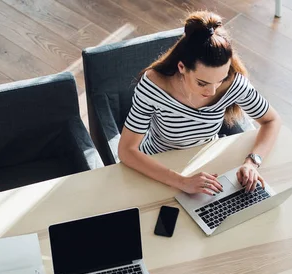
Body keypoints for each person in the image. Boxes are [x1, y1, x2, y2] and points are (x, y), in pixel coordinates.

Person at [118, 11, 281, 194]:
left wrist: (253, 162)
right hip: (158, 165)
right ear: (182, 68)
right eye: (202, 83)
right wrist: (181, 182)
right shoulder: (154, 86)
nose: (212, 91)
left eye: (220, 79)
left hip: (206, 164)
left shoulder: (233, 84)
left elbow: (271, 121)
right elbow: (126, 150)